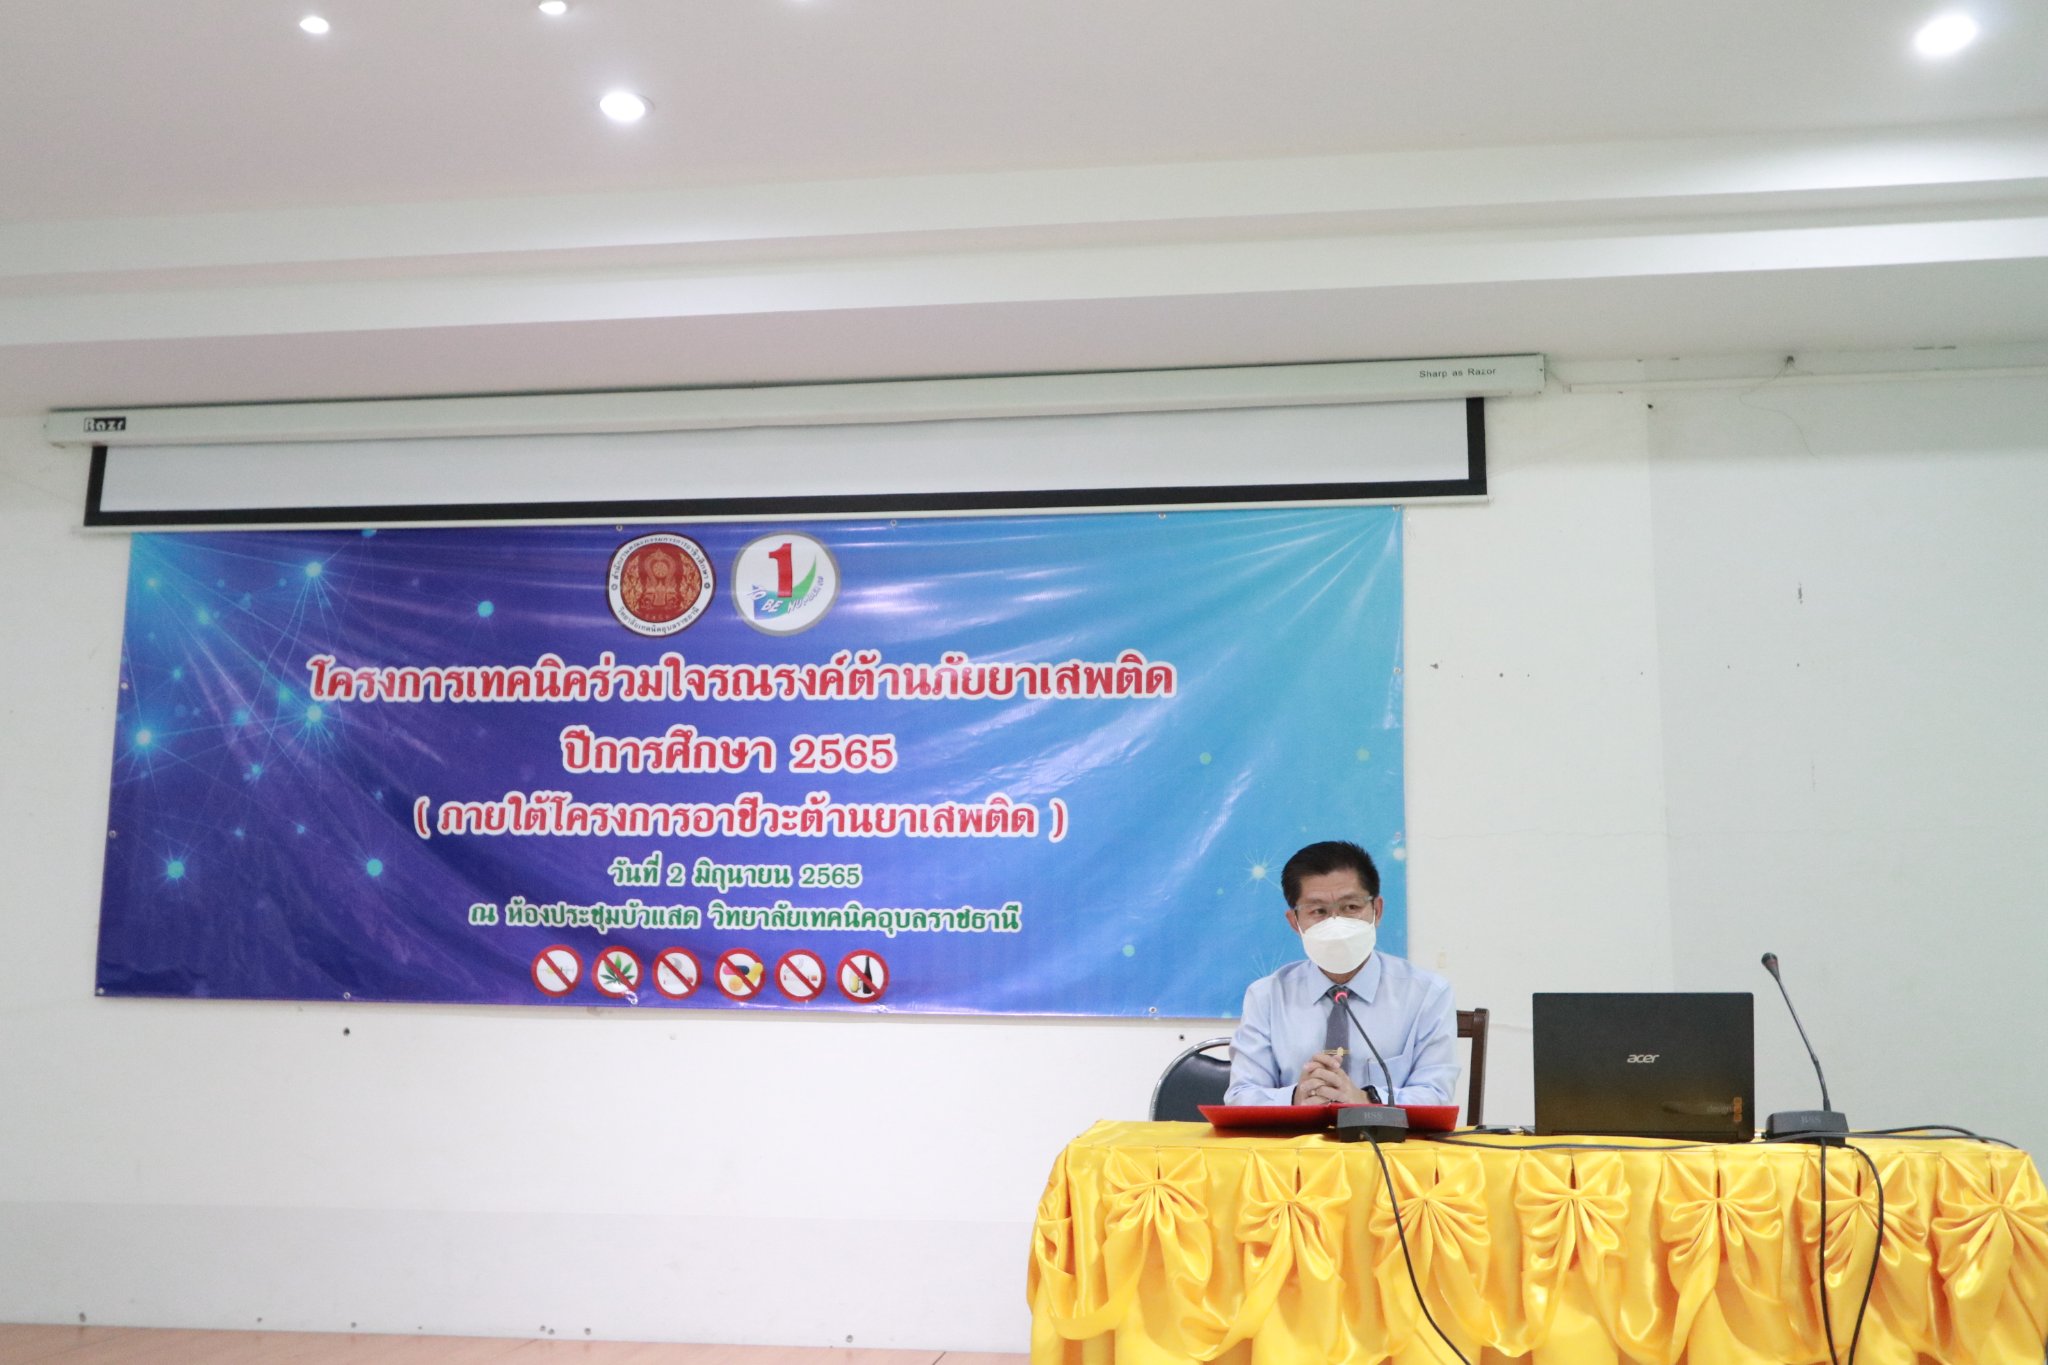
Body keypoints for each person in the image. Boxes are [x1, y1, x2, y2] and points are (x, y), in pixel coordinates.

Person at [1224, 840, 1459, 1106]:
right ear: (1294, 922)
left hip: (1385, 1134)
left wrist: (1366, 1099)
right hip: (1295, 1134)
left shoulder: (1427, 993)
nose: (1336, 923)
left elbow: (1436, 1094)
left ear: (1377, 911)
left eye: (1351, 907)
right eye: (1318, 911)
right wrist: (1294, 1098)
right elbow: (1241, 1095)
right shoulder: (1266, 996)